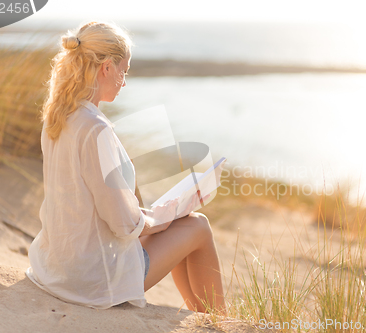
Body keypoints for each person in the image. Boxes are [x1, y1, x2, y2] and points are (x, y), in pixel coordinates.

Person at [25, 21, 225, 314]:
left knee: (178, 221)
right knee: (197, 225)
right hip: (89, 279)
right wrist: (159, 219)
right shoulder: (95, 130)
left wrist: (155, 217)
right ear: (106, 68)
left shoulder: (58, 116)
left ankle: (202, 313)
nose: (124, 80)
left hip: (57, 266)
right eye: (123, 71)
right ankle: (223, 320)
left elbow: (93, 206)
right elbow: (121, 224)